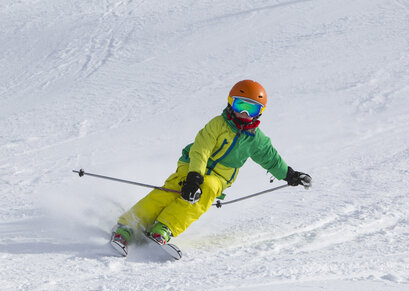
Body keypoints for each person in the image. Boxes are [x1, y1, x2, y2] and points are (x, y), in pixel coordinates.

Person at [110, 80, 311, 256]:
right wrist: (194, 176)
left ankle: (164, 228)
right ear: (230, 103)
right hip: (192, 166)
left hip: (219, 178)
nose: (244, 113)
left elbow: (271, 159)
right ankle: (128, 225)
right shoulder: (217, 124)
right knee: (171, 191)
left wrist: (290, 175)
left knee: (207, 190)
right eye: (240, 105)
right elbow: (201, 150)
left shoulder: (256, 139)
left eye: (251, 109)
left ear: (260, 112)